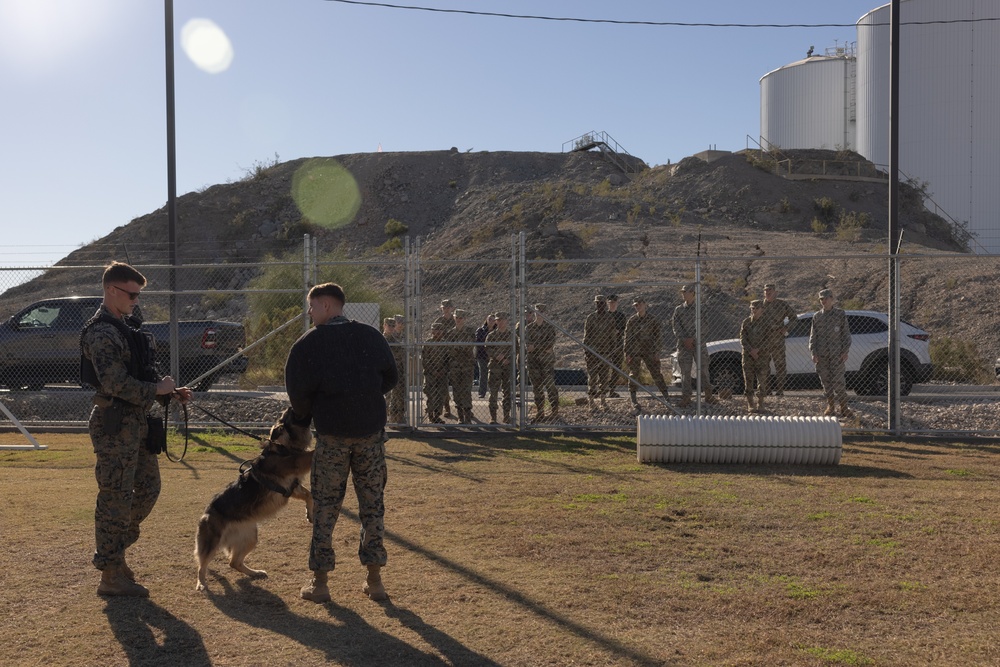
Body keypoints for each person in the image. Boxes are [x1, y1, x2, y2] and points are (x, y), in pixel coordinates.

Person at [81, 261, 192, 597]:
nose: (136, 300)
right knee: (115, 496)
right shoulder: (101, 332)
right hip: (114, 424)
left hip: (139, 424)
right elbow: (113, 382)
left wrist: (167, 392)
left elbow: (141, 375)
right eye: (131, 294)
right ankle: (110, 573)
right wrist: (154, 391)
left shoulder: (128, 328)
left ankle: (115, 553)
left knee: (147, 489)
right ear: (112, 290)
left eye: (138, 295)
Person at [284, 282, 398, 603]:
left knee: (325, 506)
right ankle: (374, 581)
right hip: (370, 436)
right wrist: (365, 398)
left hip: (332, 437)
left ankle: (319, 583)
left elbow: (298, 394)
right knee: (372, 504)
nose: (309, 313)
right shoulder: (371, 337)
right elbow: (390, 377)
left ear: (325, 306)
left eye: (311, 307)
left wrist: (314, 412)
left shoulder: (308, 344)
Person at [623, 296, 671, 413]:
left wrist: (657, 351)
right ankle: (633, 399)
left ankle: (666, 397)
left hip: (650, 351)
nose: (637, 306)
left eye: (639, 304)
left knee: (656, 373)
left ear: (645, 304)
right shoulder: (632, 320)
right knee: (634, 374)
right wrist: (627, 352)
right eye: (635, 305)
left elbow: (658, 336)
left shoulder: (652, 320)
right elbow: (627, 337)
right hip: (635, 351)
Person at [809, 288, 852, 418]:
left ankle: (844, 408)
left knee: (839, 383)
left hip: (836, 356)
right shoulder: (817, 316)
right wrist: (813, 352)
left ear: (831, 299)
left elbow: (846, 335)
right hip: (822, 356)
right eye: (821, 299)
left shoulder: (840, 314)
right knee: (826, 383)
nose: (824, 301)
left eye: (826, 298)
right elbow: (813, 337)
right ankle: (831, 407)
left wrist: (845, 351)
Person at [672, 284, 717, 407]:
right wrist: (685, 339)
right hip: (683, 345)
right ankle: (686, 396)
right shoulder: (679, 310)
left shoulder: (701, 308)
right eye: (682, 292)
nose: (683, 294)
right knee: (685, 372)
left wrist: (694, 338)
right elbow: (675, 327)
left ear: (692, 293)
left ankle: (708, 395)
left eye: (685, 291)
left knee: (703, 369)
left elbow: (705, 326)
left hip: (699, 344)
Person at [759, 283, 799, 396]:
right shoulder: (759, 305)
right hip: (764, 340)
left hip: (777, 340)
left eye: (770, 290)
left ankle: (780, 390)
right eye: (765, 290)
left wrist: (786, 328)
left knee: (780, 365)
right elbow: (753, 321)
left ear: (775, 292)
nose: (767, 292)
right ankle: (766, 390)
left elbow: (794, 318)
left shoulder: (782, 305)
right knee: (764, 366)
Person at [525, 303, 559, 422]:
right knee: (537, 388)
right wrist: (541, 346)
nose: (539, 315)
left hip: (546, 362)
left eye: (541, 312)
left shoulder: (550, 327)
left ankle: (554, 411)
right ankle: (540, 411)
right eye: (537, 312)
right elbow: (528, 346)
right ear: (534, 313)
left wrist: (536, 346)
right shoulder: (528, 328)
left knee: (550, 386)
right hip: (533, 362)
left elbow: (550, 345)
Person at [583, 294, 616, 410]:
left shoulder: (610, 319)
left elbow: (613, 338)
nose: (600, 305)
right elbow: (586, 337)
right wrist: (586, 352)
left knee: (604, 378)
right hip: (592, 353)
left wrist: (612, 352)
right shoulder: (591, 318)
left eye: (602, 303)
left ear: (605, 304)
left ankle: (603, 401)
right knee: (592, 378)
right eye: (598, 303)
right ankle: (591, 401)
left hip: (605, 352)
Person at [740, 300, 771, 414]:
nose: (754, 310)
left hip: (762, 356)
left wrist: (758, 350)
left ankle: (761, 402)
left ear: (761, 309)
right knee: (748, 380)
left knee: (762, 380)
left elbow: (769, 339)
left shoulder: (767, 323)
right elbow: (742, 338)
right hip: (748, 356)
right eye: (752, 308)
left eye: (756, 308)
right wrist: (751, 350)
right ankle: (750, 403)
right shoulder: (746, 322)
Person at [446, 309, 477, 423]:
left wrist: (458, 347)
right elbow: (450, 350)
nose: (459, 320)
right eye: (457, 317)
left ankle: (467, 416)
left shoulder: (470, 331)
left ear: (465, 319)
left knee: (466, 391)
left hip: (467, 366)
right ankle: (460, 416)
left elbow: (469, 347)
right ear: (454, 318)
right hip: (455, 367)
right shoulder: (450, 333)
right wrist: (460, 347)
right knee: (456, 391)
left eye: (461, 318)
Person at [485, 311, 514, 424]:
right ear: (496, 321)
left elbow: (515, 350)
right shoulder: (491, 335)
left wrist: (507, 358)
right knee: (493, 393)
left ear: (506, 321)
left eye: (503, 320)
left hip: (507, 367)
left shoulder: (511, 335)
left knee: (507, 392)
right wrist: (497, 356)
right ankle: (493, 417)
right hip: (494, 367)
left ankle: (506, 415)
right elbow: (488, 349)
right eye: (498, 320)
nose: (501, 322)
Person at [433, 299, 457, 419]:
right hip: (443, 355)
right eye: (444, 307)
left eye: (448, 307)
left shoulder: (456, 319)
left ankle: (464, 410)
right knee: (444, 383)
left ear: (452, 308)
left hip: (455, 354)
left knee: (459, 383)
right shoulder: (439, 321)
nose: (446, 309)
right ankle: (447, 408)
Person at [421, 322, 449, 423]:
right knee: (431, 395)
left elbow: (448, 359)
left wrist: (443, 370)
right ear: (432, 331)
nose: (437, 332)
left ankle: (437, 415)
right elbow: (425, 359)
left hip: (442, 374)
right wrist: (432, 370)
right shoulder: (428, 344)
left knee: (441, 395)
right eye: (435, 330)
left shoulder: (445, 344)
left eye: (439, 330)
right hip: (430, 374)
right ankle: (430, 415)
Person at [386, 315, 407, 424]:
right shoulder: (385, 338)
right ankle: (391, 418)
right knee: (390, 395)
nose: (399, 324)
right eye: (390, 325)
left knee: (399, 395)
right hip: (389, 370)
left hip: (400, 368)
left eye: (393, 325)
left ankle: (397, 418)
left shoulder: (401, 337)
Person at [606, 295, 628, 397]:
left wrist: (617, 331)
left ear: (617, 303)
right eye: (610, 303)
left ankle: (611, 390)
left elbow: (624, 330)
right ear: (607, 303)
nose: (612, 305)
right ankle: (602, 389)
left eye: (614, 303)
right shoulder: (604, 315)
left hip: (617, 345)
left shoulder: (621, 316)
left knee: (616, 368)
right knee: (603, 368)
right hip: (605, 345)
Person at [475, 313, 496, 398]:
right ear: (486, 320)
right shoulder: (481, 330)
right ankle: (482, 392)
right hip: (482, 356)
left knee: (494, 374)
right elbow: (478, 343)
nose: (491, 321)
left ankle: (493, 392)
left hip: (494, 356)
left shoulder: (497, 331)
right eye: (489, 319)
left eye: (493, 320)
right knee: (483, 373)